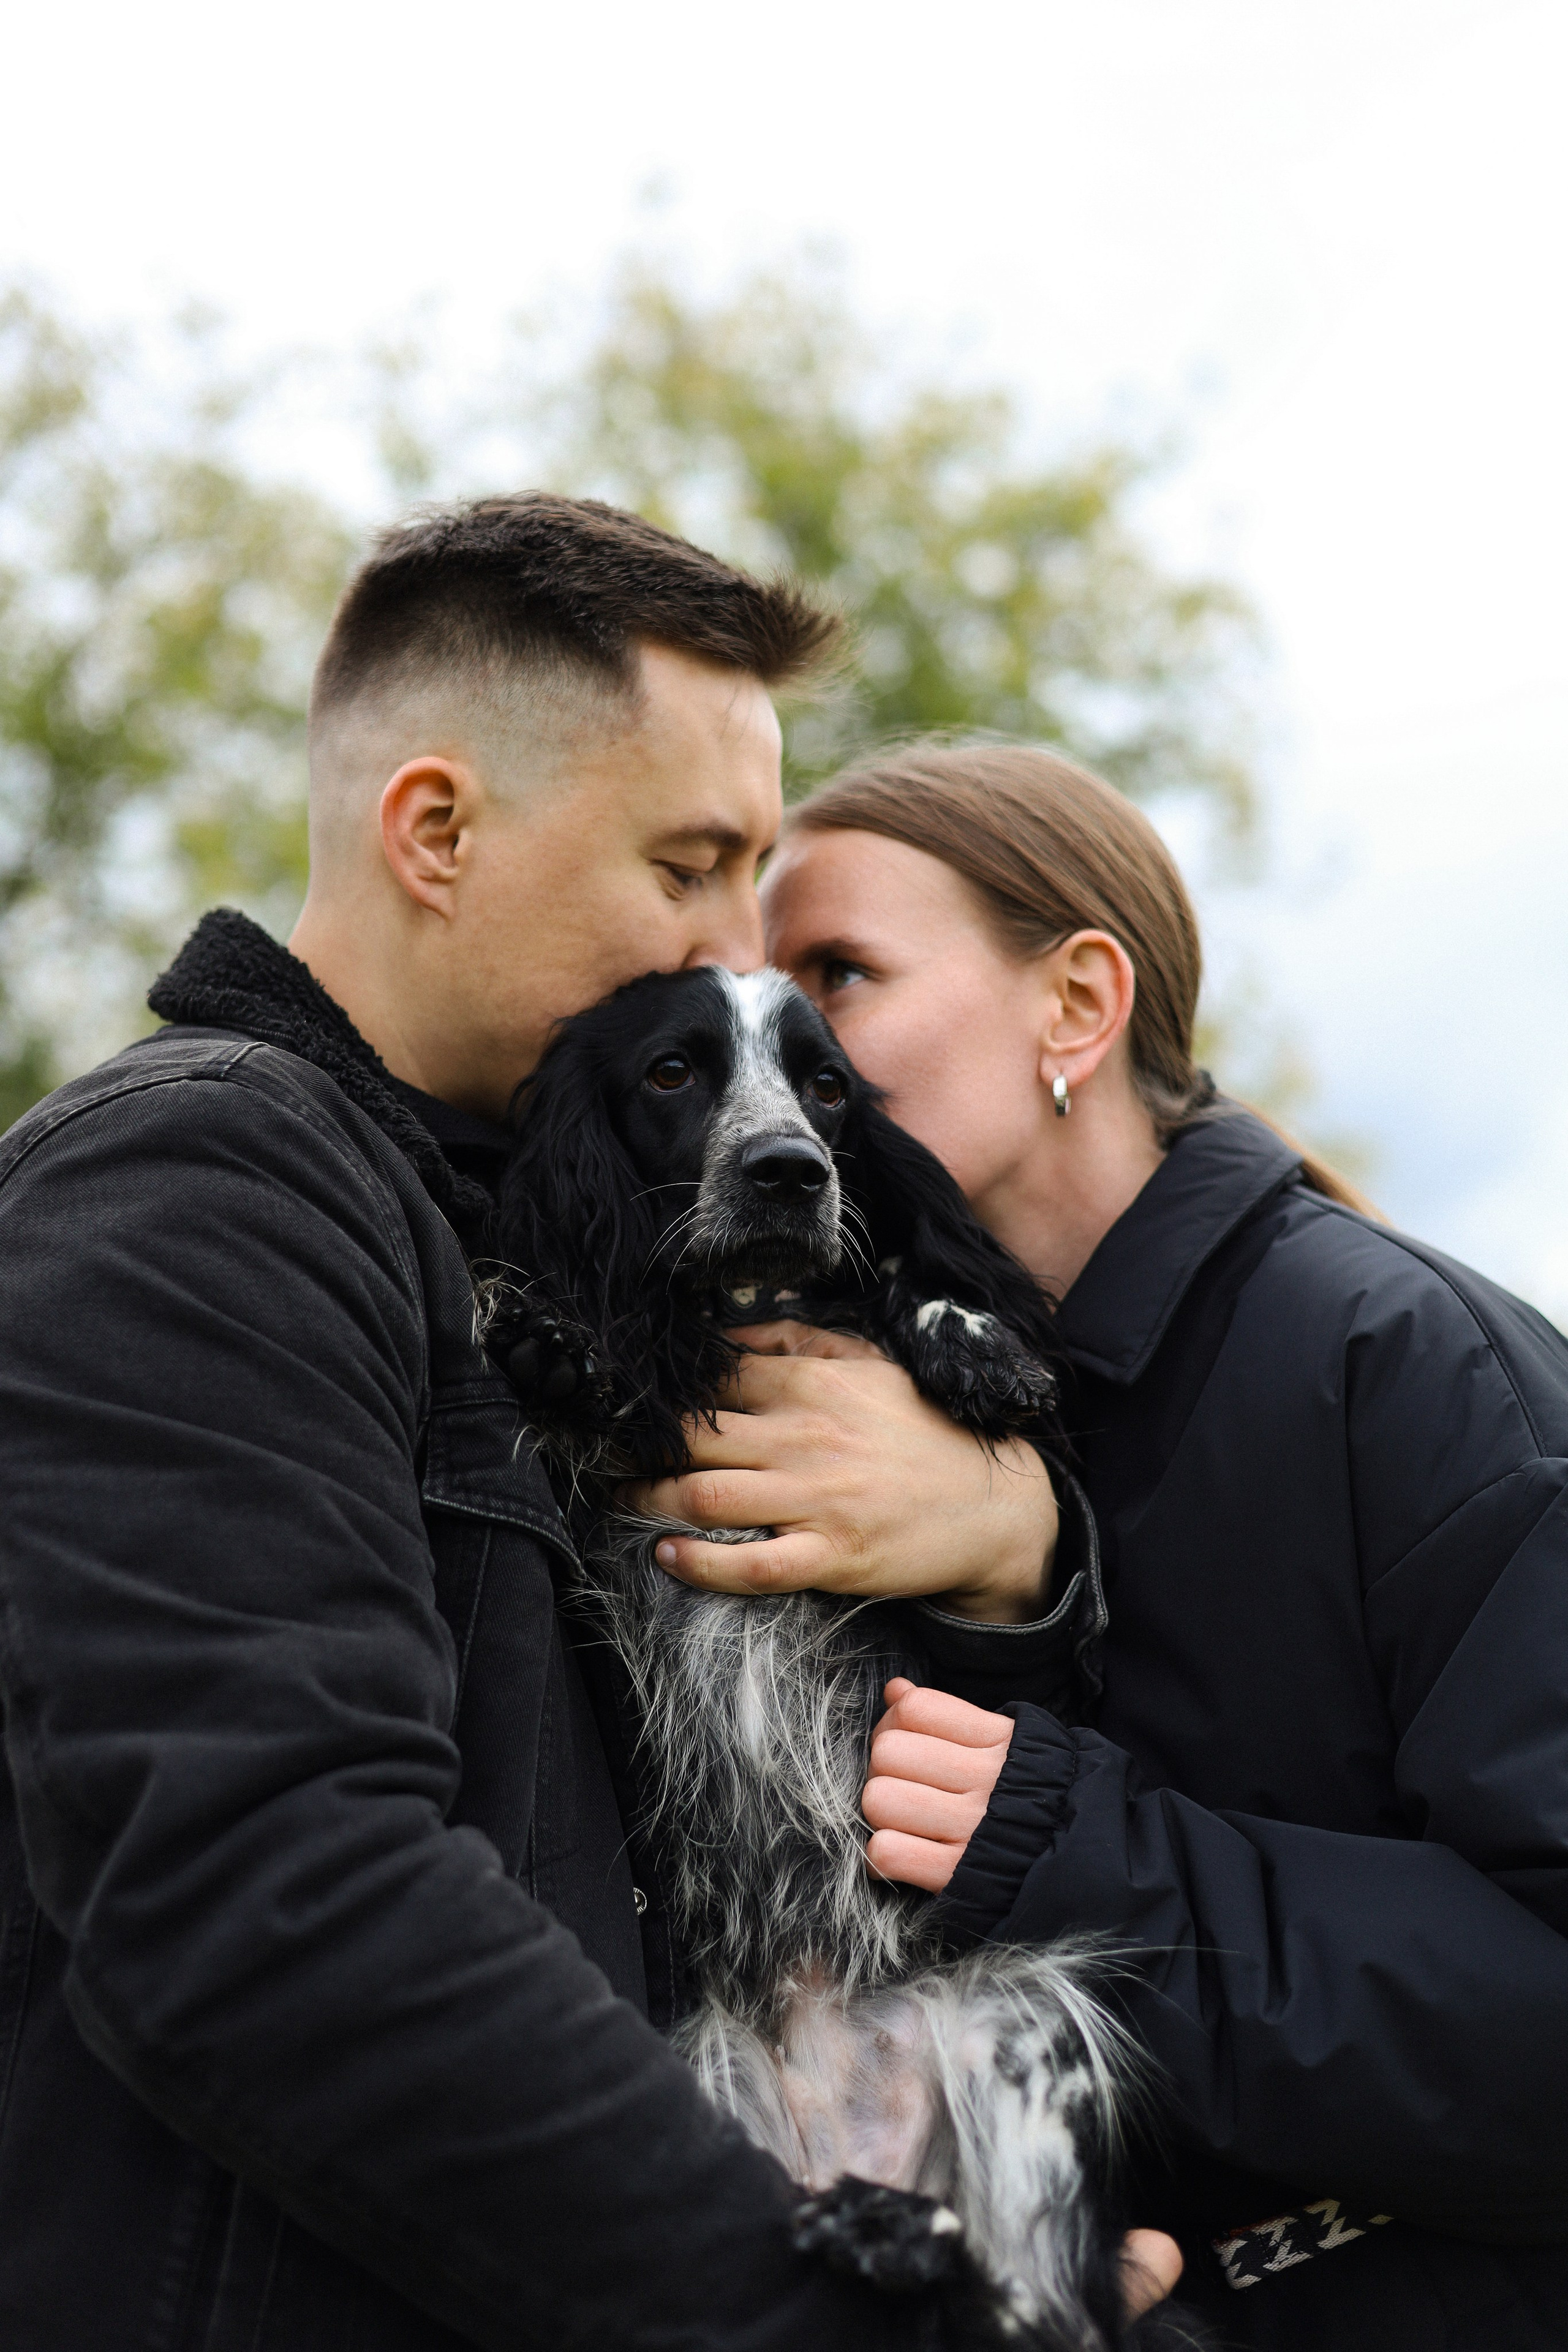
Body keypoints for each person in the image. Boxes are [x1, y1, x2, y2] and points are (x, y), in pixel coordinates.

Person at [0, 502, 1176, 2349]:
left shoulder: (518, 1229)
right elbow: (270, 1900)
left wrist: (1016, 1530)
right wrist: (841, 2314)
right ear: (437, 832)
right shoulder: (193, 1189)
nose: (739, 948)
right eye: (693, 866)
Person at [662, 735, 1568, 2351]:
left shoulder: (1404, 1362)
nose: (775, 1058)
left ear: (1076, 1006)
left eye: (840, 978)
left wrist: (1075, 1853)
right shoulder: (874, 1406)